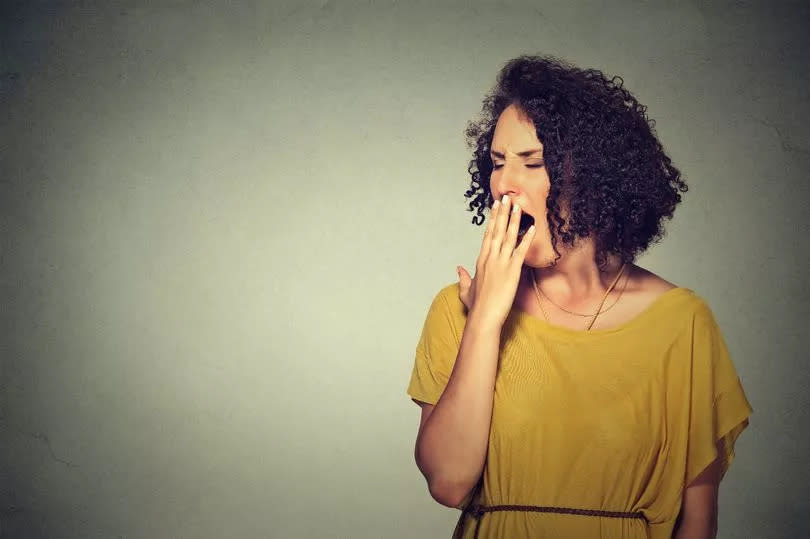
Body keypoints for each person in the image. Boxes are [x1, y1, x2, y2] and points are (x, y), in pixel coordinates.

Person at [405, 55, 753, 539]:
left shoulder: (682, 323)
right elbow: (448, 481)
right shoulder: (459, 308)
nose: (504, 185)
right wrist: (485, 319)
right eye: (498, 163)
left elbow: (697, 525)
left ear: (594, 179)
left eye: (532, 163)